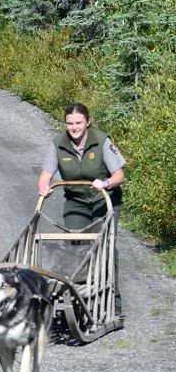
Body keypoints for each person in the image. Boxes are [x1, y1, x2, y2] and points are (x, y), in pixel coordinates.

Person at [37, 102, 126, 315]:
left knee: (104, 247)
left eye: (78, 123)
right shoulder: (58, 144)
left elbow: (119, 175)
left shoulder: (101, 141)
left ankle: (112, 299)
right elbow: (45, 176)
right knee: (73, 243)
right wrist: (44, 187)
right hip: (76, 201)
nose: (74, 127)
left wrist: (105, 183)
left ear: (88, 122)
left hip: (104, 200)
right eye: (70, 123)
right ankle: (78, 296)